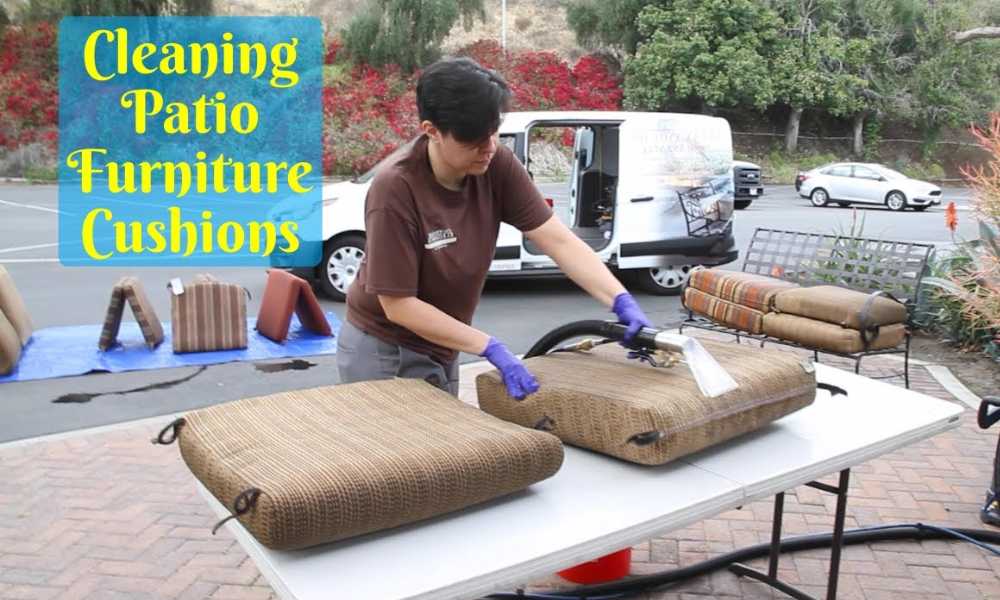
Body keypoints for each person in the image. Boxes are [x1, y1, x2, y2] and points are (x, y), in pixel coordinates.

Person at [336, 57, 651, 399]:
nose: (488, 147)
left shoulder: (495, 163)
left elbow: (557, 240)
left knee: (444, 442)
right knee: (406, 450)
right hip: (385, 348)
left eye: (493, 132)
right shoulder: (395, 189)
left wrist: (620, 300)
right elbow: (398, 305)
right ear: (432, 131)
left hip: (443, 342)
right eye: (473, 139)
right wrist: (490, 348)